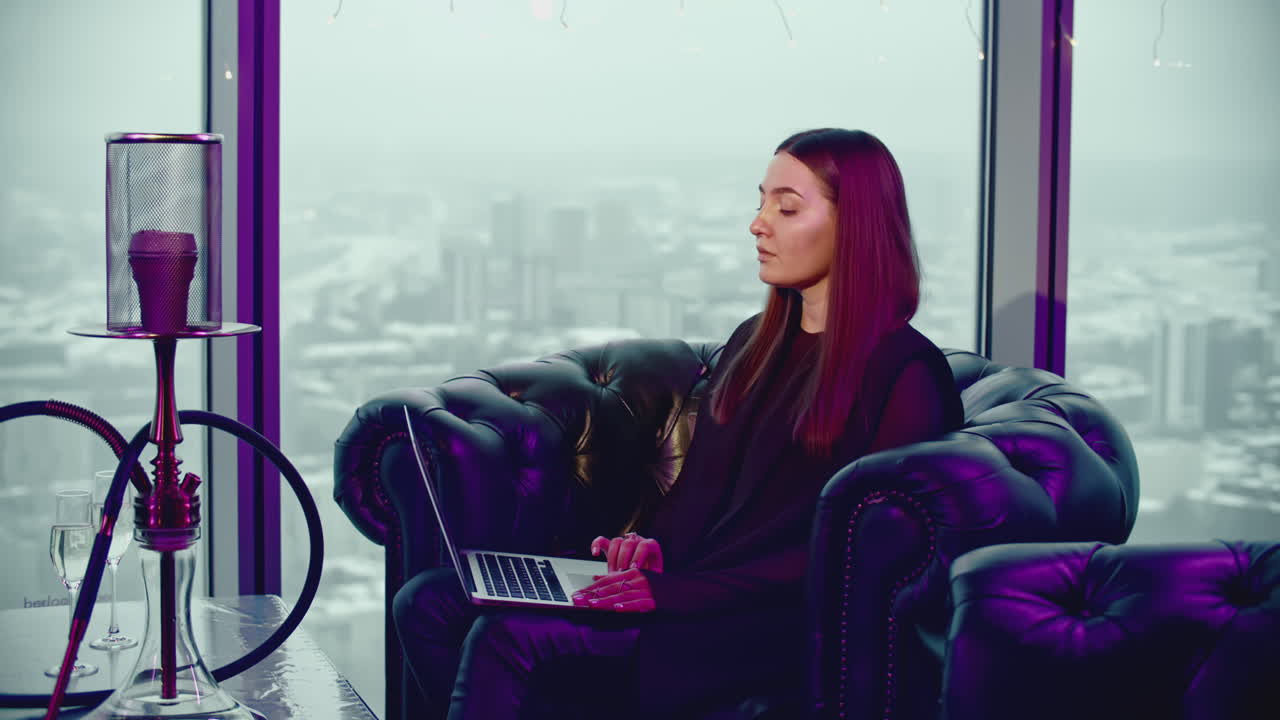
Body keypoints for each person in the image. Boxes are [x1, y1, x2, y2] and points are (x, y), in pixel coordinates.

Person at [392, 128, 964, 719]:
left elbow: (850, 556)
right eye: (761, 200)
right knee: (427, 603)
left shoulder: (906, 375)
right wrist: (651, 550)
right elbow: (706, 493)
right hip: (691, 589)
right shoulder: (757, 342)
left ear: (857, 225)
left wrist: (676, 594)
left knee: (507, 636)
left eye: (786, 207)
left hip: (765, 625)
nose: (758, 223)